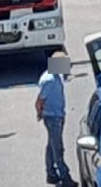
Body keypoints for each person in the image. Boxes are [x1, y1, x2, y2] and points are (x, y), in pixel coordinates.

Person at [35, 51, 78, 187]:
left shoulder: (56, 76)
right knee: (58, 148)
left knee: (51, 146)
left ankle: (51, 173)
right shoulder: (49, 79)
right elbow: (40, 99)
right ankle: (65, 176)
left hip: (57, 115)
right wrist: (40, 112)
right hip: (52, 117)